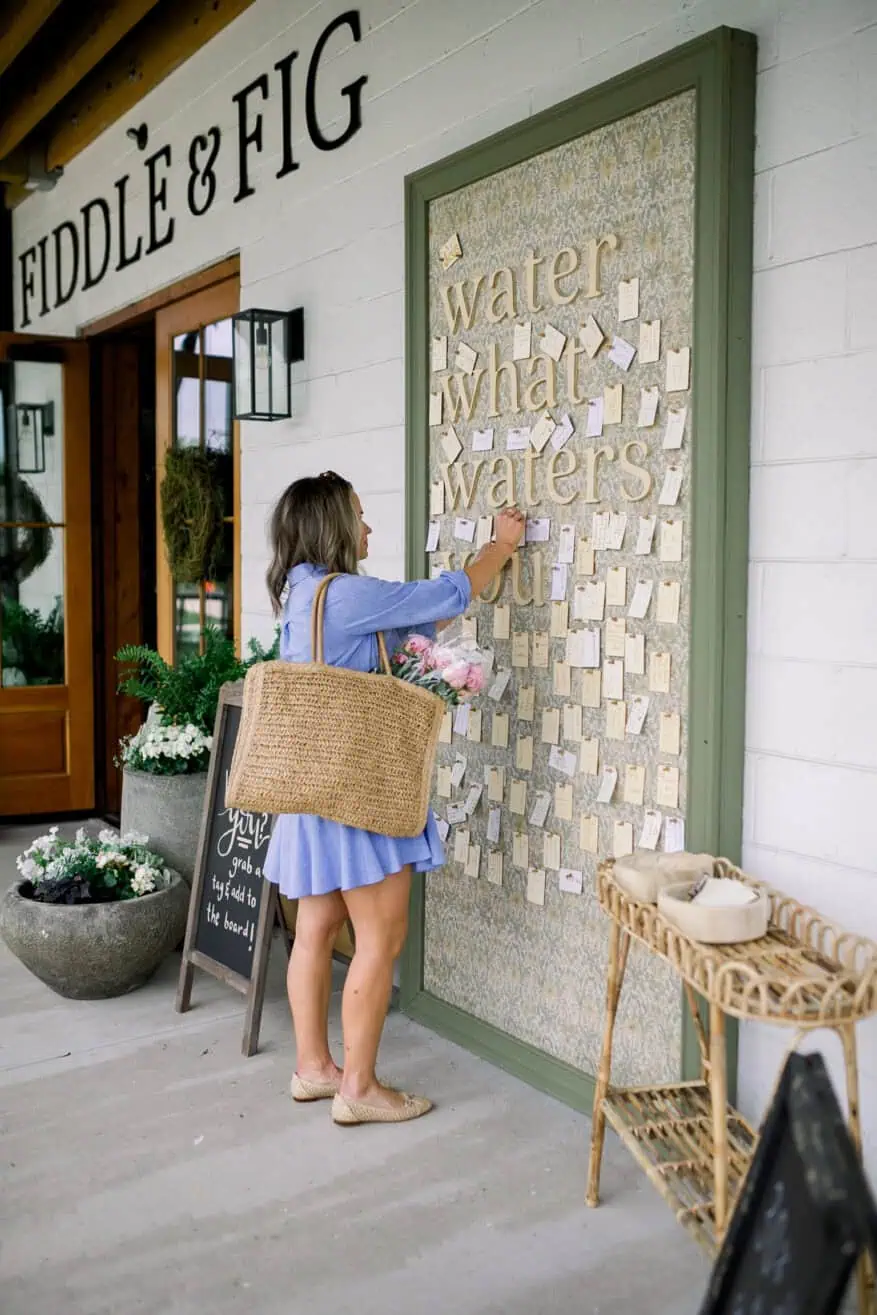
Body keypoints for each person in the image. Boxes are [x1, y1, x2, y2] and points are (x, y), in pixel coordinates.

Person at [263, 470, 525, 1126]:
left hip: (310, 787)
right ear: (333, 527)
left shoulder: (298, 593)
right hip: (359, 785)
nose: (368, 528)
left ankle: (313, 1068)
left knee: (316, 927)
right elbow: (446, 595)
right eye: (358, 515)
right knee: (380, 934)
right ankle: (359, 1086)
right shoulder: (346, 594)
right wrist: (500, 544)